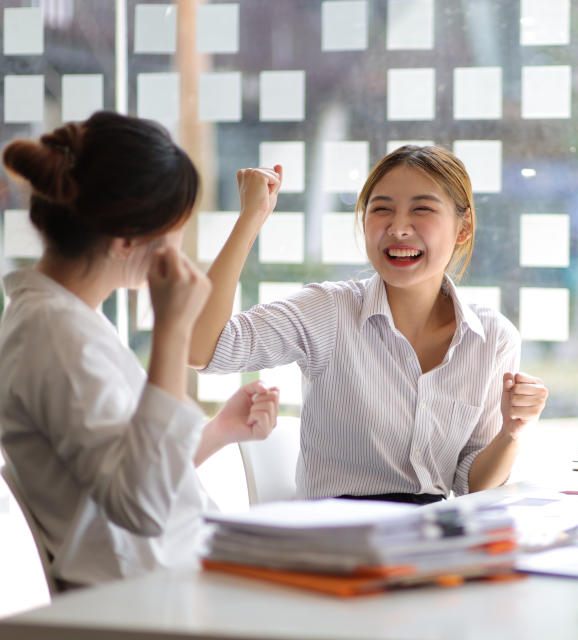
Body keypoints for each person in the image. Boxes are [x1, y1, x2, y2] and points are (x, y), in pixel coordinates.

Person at [0, 112, 280, 587]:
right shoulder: (54, 336)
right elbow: (140, 506)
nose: (180, 245)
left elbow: (123, 471)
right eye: (176, 227)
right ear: (127, 239)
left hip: (175, 579)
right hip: (148, 601)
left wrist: (216, 432)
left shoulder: (70, 320)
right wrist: (172, 329)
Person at [189, 145, 548, 504]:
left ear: (463, 228)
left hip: (430, 539)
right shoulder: (328, 311)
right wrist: (251, 218)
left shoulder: (492, 338)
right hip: (337, 541)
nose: (398, 228)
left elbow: (474, 487)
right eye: (381, 210)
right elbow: (201, 350)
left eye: (421, 209)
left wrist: (511, 433)